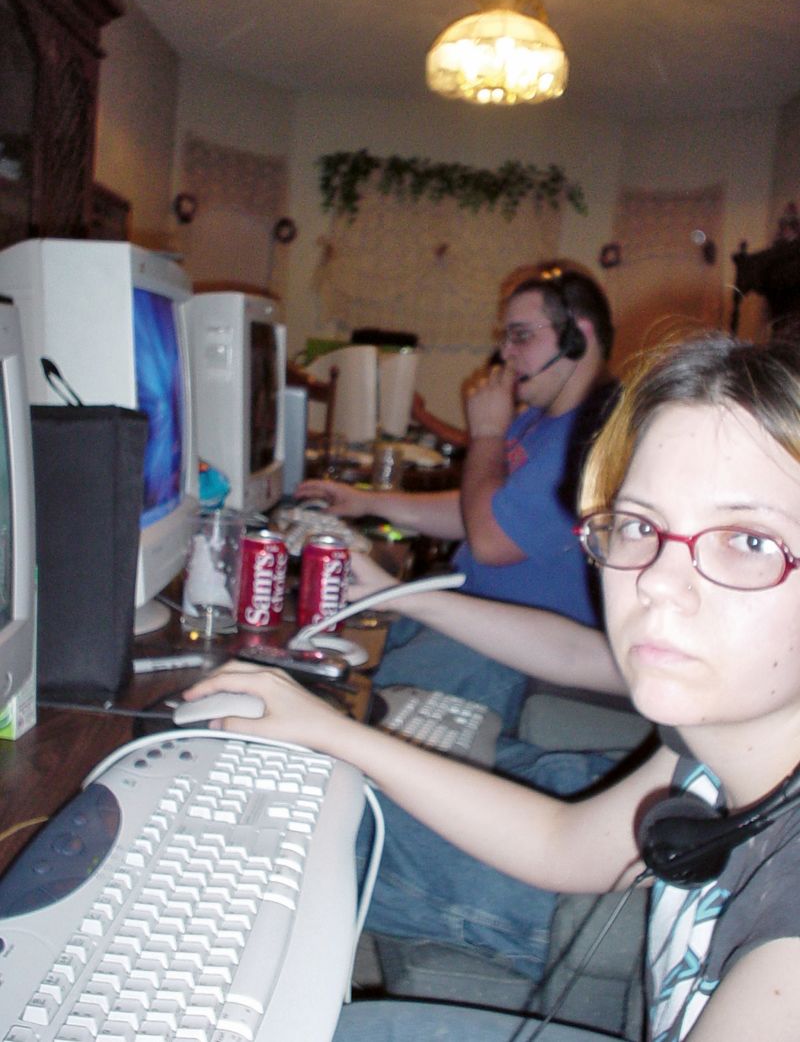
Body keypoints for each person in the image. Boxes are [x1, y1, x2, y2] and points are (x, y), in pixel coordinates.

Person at [186, 331, 800, 1041]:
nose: (658, 582)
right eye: (636, 525)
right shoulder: (715, 748)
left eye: (749, 541)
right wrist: (331, 734)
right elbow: (561, 844)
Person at [297, 262, 619, 730]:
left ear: (578, 337)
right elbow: (478, 512)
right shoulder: (539, 420)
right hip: (464, 619)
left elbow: (489, 540)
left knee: (342, 711)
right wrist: (367, 500)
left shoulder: (595, 437)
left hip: (513, 656)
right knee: (321, 661)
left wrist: (488, 434)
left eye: (521, 336)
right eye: (505, 337)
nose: (505, 354)